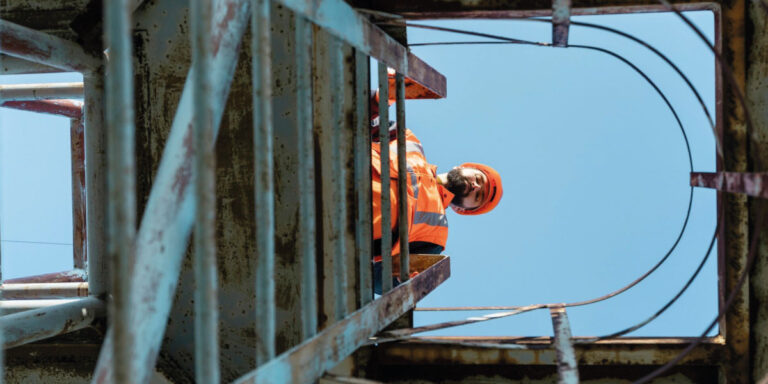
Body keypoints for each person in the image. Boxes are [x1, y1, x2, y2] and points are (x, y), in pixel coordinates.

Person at [370, 110, 503, 293]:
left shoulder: (436, 236)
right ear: (462, 167)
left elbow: (382, 281)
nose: (476, 187)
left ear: (463, 210)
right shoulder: (411, 144)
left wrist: (399, 280)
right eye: (478, 179)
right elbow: (364, 114)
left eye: (478, 197)